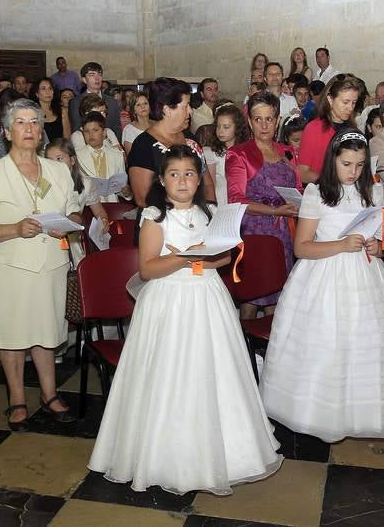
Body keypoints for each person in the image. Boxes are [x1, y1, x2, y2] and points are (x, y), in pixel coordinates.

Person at [89, 145, 282, 494]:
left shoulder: (209, 214)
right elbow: (148, 268)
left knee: (215, 370)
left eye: (190, 174)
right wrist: (185, 259)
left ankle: (226, 451)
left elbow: (222, 259)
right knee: (171, 372)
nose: (182, 181)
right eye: (174, 174)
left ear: (199, 181)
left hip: (208, 297)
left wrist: (210, 257)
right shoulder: (154, 216)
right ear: (162, 180)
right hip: (169, 300)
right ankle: (163, 454)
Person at [260, 130, 384, 442]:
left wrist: (380, 247)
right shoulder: (317, 193)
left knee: (369, 344)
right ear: (332, 161)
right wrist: (340, 245)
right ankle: (322, 413)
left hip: (366, 275)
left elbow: (383, 240)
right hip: (324, 276)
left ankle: (364, 411)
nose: (353, 172)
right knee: (328, 345)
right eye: (347, 164)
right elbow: (302, 248)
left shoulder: (373, 192)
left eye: (360, 165)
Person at [0, 98, 80, 430]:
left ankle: (49, 394)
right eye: (20, 122)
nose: (29, 128)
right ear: (6, 130)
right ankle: (17, 399)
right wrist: (14, 229)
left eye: (34, 122)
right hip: (10, 266)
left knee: (46, 331)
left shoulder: (58, 170)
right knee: (13, 334)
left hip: (51, 264)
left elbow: (74, 208)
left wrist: (67, 221)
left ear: (42, 130)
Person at [226, 91, 302, 318]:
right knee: (252, 295)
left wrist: (300, 202)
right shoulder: (238, 154)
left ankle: (272, 350)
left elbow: (297, 188)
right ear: (249, 122)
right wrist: (274, 210)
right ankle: (244, 349)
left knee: (279, 298)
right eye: (258, 119)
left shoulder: (287, 151)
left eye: (269, 119)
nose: (264, 125)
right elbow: (235, 199)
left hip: (284, 231)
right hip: (254, 230)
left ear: (277, 120)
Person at [129, 77, 216, 229]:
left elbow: (206, 183)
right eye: (186, 106)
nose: (190, 111)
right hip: (161, 226)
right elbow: (142, 198)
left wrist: (210, 215)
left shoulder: (190, 139)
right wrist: (182, 214)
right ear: (167, 109)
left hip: (196, 222)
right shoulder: (143, 145)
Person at [44, 138, 107, 267]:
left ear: (72, 160)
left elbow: (99, 212)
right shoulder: (42, 184)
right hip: (48, 241)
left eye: (59, 159)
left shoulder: (86, 184)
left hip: (73, 243)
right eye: (49, 161)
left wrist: (104, 222)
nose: (54, 164)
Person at [299, 75, 362, 183]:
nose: (350, 108)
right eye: (345, 102)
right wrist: (331, 181)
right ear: (330, 99)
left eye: (354, 103)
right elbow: (303, 173)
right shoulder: (314, 129)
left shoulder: (353, 129)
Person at [76, 112, 127, 203]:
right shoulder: (77, 156)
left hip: (112, 205)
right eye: (87, 131)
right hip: (87, 206)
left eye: (95, 130)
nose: (91, 135)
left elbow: (120, 186)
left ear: (104, 132)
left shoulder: (117, 155)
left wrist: (126, 192)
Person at [204, 102, 249, 206]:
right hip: (219, 199)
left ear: (237, 127)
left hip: (240, 199)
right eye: (218, 126)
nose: (220, 131)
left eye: (226, 127)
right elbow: (210, 184)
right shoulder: (211, 152)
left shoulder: (245, 151)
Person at [68, 62, 121, 133]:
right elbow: (77, 129)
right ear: (84, 79)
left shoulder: (112, 101)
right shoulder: (76, 102)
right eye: (92, 75)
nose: (97, 78)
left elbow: (116, 128)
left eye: (99, 74)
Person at [121, 91, 151, 156]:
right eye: (138, 105)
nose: (143, 107)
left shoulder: (158, 124)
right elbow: (132, 157)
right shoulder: (129, 130)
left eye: (145, 103)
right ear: (134, 110)